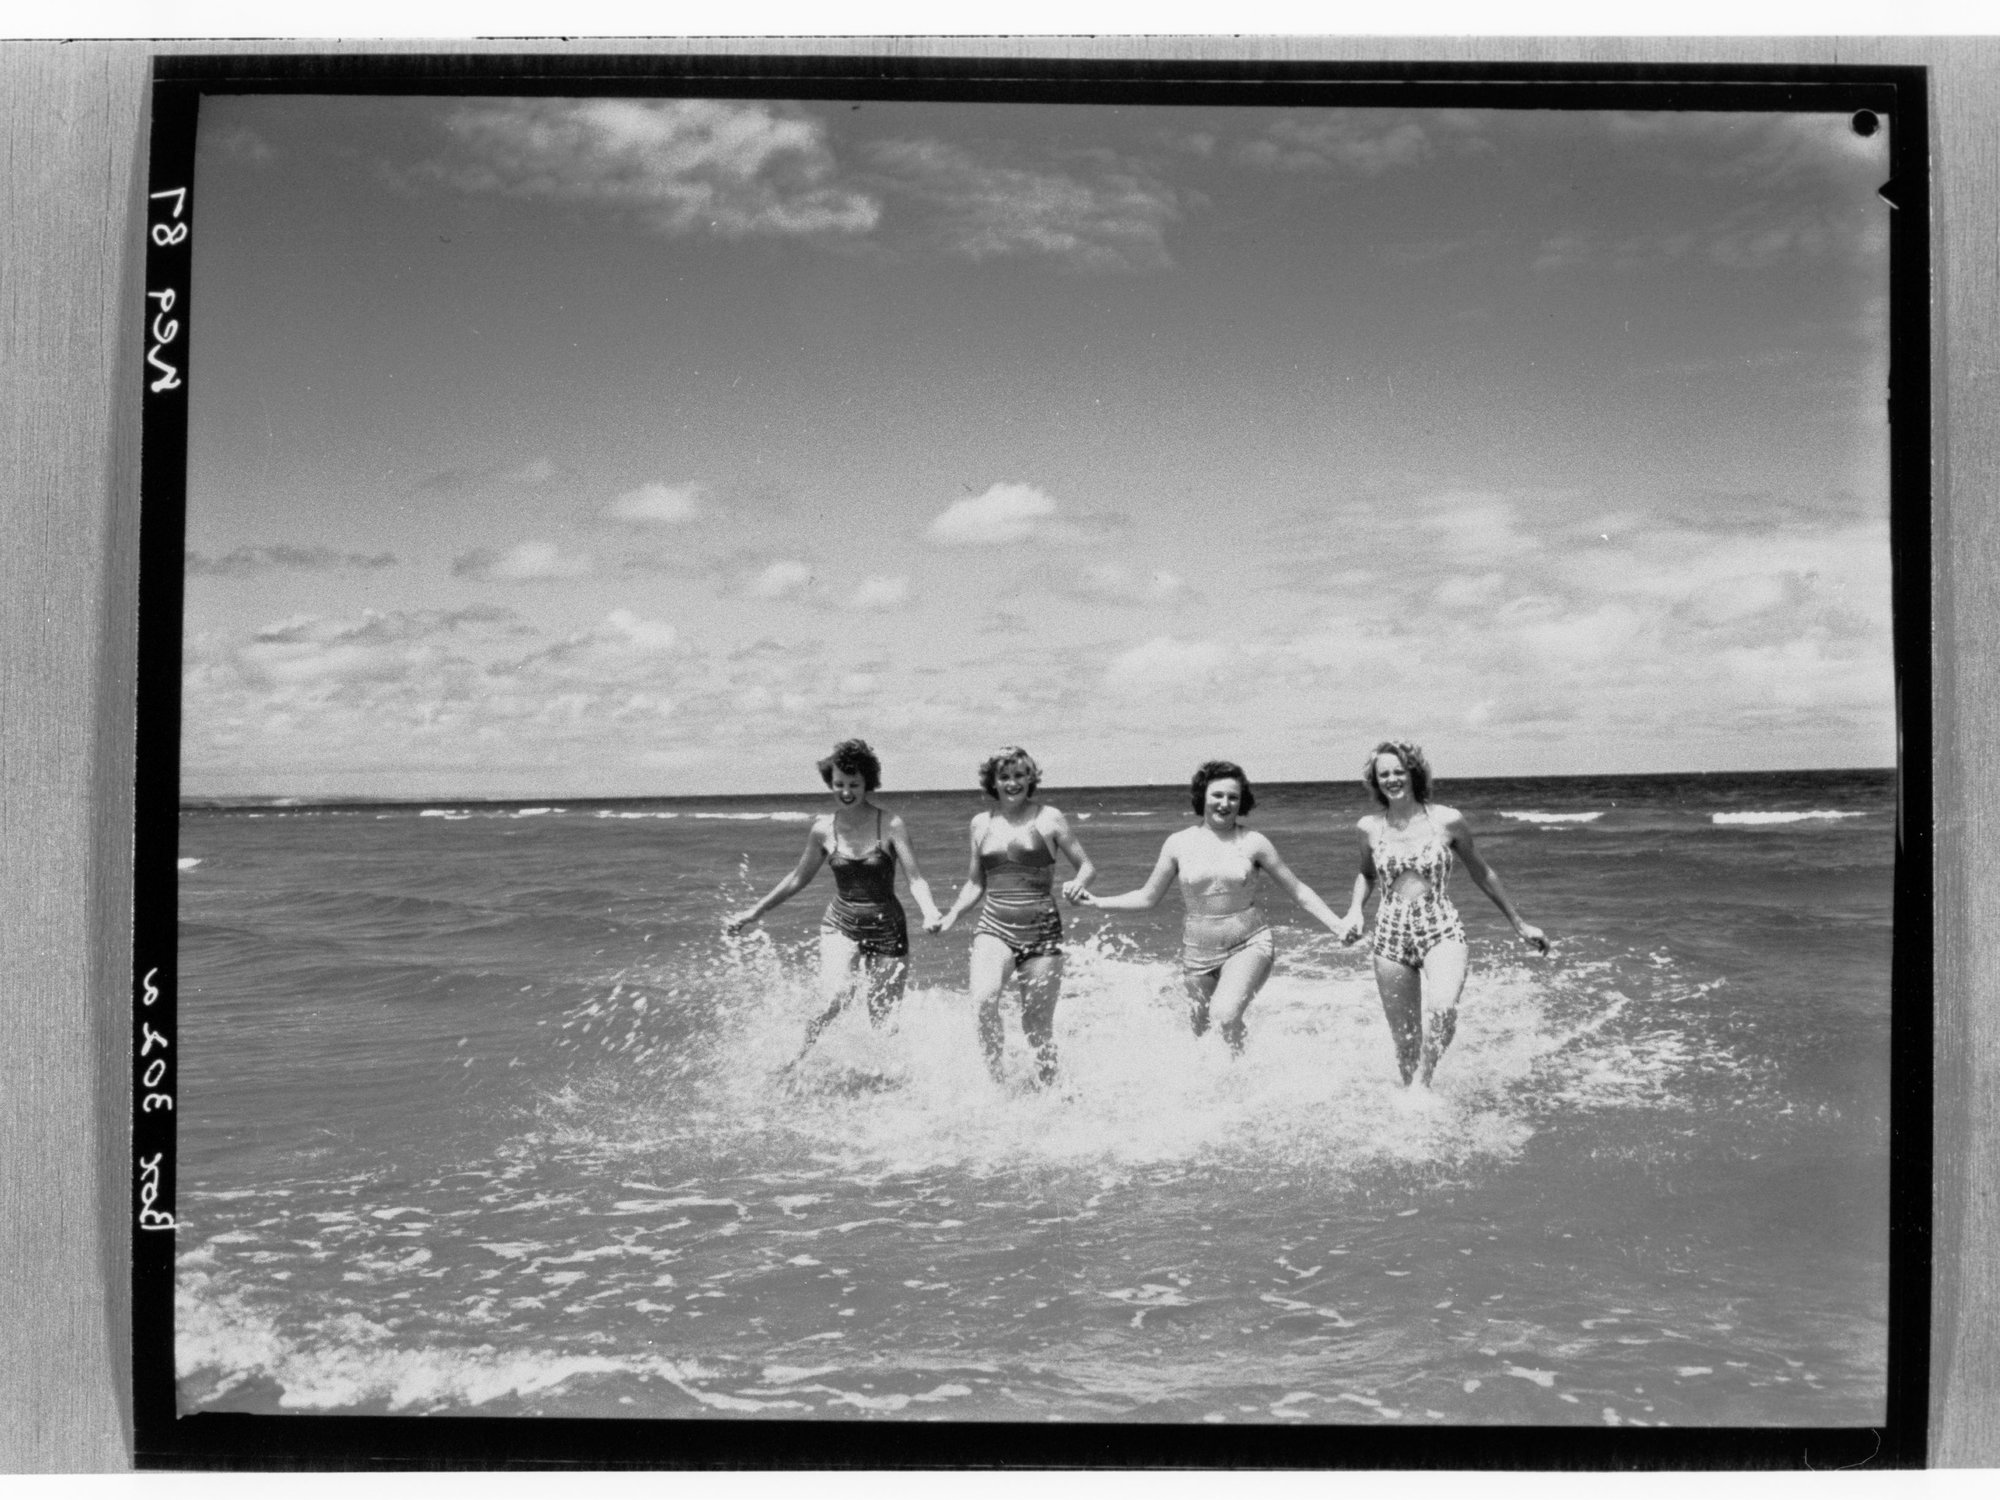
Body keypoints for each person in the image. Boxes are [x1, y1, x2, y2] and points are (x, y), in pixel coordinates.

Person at [1075, 759, 1346, 1054]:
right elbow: (1147, 897)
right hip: (1198, 953)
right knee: (1203, 1039)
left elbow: (1299, 891)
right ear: (1202, 795)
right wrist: (1098, 901)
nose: (1225, 803)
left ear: (1242, 802)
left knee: (1225, 1014)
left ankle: (1241, 1077)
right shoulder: (1177, 843)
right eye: (1217, 795)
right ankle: (1235, 1076)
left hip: (1248, 942)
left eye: (1233, 797)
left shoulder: (1254, 842)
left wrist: (1337, 925)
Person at [1339, 740, 1548, 1088]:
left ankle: (1426, 1079)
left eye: (1399, 771)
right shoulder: (1369, 827)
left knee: (1443, 1005)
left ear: (1413, 773)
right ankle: (1414, 1102)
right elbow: (1367, 873)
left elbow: (1482, 872)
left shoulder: (1447, 821)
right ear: (1376, 782)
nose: (1392, 779)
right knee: (1404, 1041)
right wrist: (1354, 912)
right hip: (1390, 937)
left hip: (1441, 929)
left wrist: (1520, 923)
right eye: (1384, 774)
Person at [725, 739, 941, 1073]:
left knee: (883, 1020)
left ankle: (890, 1079)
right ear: (831, 782)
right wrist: (755, 912)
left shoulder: (891, 824)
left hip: (888, 930)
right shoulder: (823, 829)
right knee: (835, 996)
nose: (846, 791)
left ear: (868, 782)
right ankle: (793, 1059)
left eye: (854, 784)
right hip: (841, 922)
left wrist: (929, 911)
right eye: (839, 784)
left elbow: (915, 879)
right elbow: (798, 878)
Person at [929, 747, 1095, 1087]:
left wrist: (1078, 883)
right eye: (1004, 776)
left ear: (1031, 778)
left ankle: (1052, 1089)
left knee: (1036, 1025)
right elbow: (976, 882)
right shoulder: (980, 823)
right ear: (993, 781)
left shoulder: (1050, 818)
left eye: (1019, 775)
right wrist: (952, 916)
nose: (1012, 782)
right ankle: (997, 1083)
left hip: (1042, 933)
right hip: (994, 927)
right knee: (983, 999)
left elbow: (1087, 866)